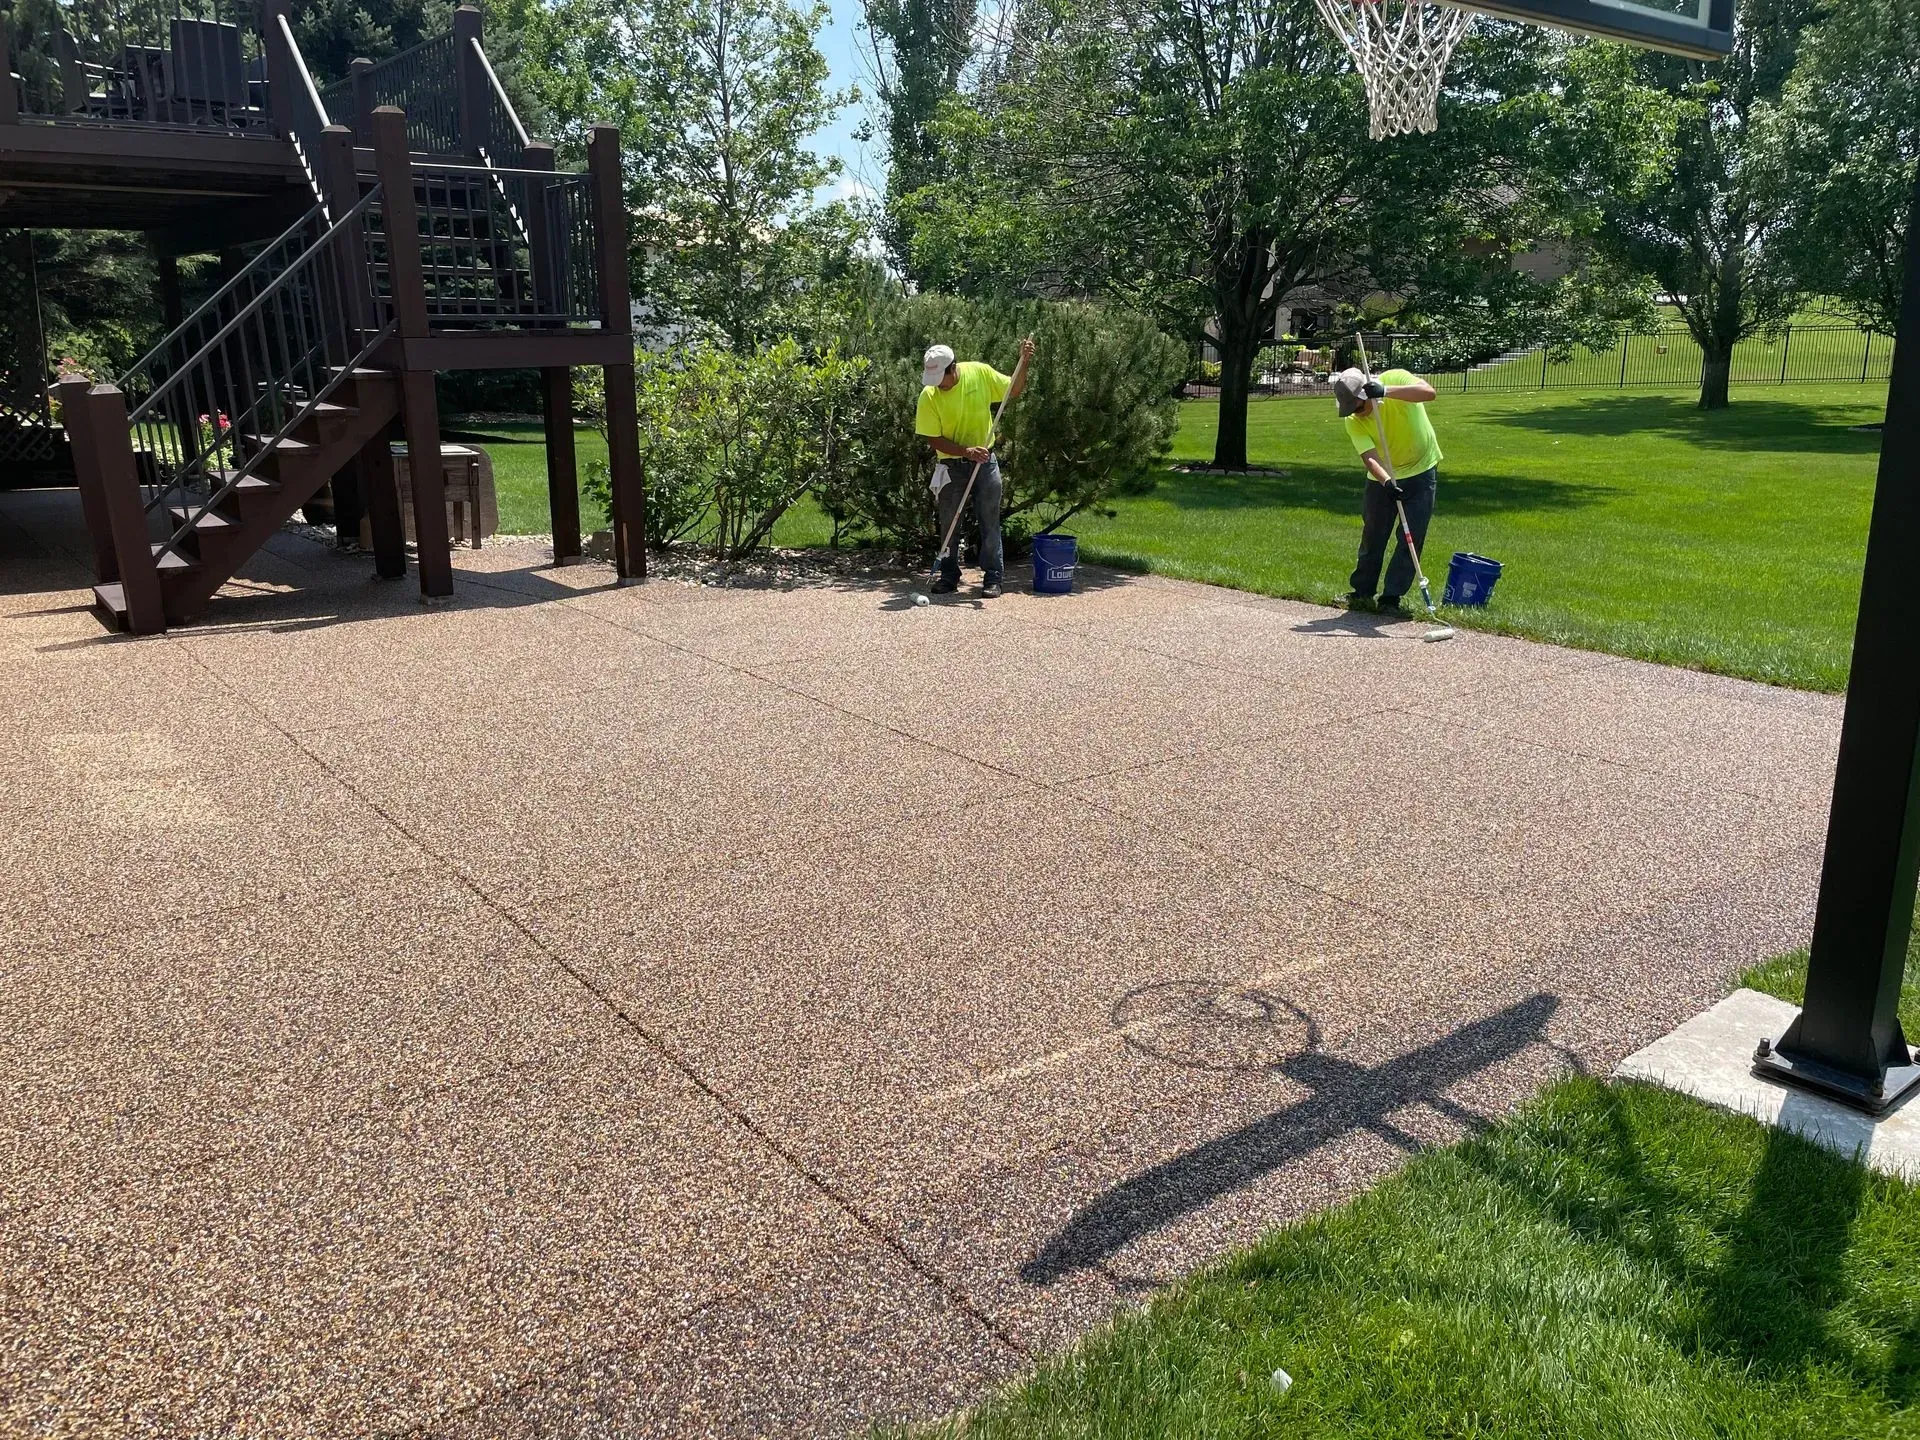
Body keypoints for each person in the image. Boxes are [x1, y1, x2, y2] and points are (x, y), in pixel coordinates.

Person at [916, 336, 1035, 597]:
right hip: (950, 464)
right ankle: (949, 576)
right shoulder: (929, 395)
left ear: (953, 368)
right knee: (949, 522)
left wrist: (1023, 362)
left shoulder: (979, 373)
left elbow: (1012, 390)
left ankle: (994, 578)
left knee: (989, 519)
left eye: (941, 379)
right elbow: (931, 437)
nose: (937, 386)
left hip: (985, 461)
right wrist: (965, 451)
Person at [1333, 364, 1442, 617]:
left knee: (1411, 537)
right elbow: (1369, 456)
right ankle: (1361, 592)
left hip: (1421, 468)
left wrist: (1385, 391)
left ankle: (1391, 597)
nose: (1356, 413)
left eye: (1358, 407)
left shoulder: (1395, 378)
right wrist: (1387, 482)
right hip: (1382, 479)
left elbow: (1428, 392)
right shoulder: (1353, 420)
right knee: (1373, 535)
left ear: (1365, 395)